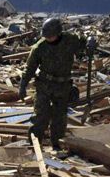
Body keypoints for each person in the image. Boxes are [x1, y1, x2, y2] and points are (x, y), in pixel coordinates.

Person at [19, 17, 94, 150]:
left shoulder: (70, 40)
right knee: (41, 116)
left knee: (59, 118)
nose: (48, 38)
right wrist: (23, 85)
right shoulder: (39, 48)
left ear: (58, 33)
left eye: (51, 36)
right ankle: (34, 146)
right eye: (46, 36)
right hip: (44, 85)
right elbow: (30, 68)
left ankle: (57, 146)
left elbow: (85, 43)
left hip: (63, 87)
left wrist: (91, 42)